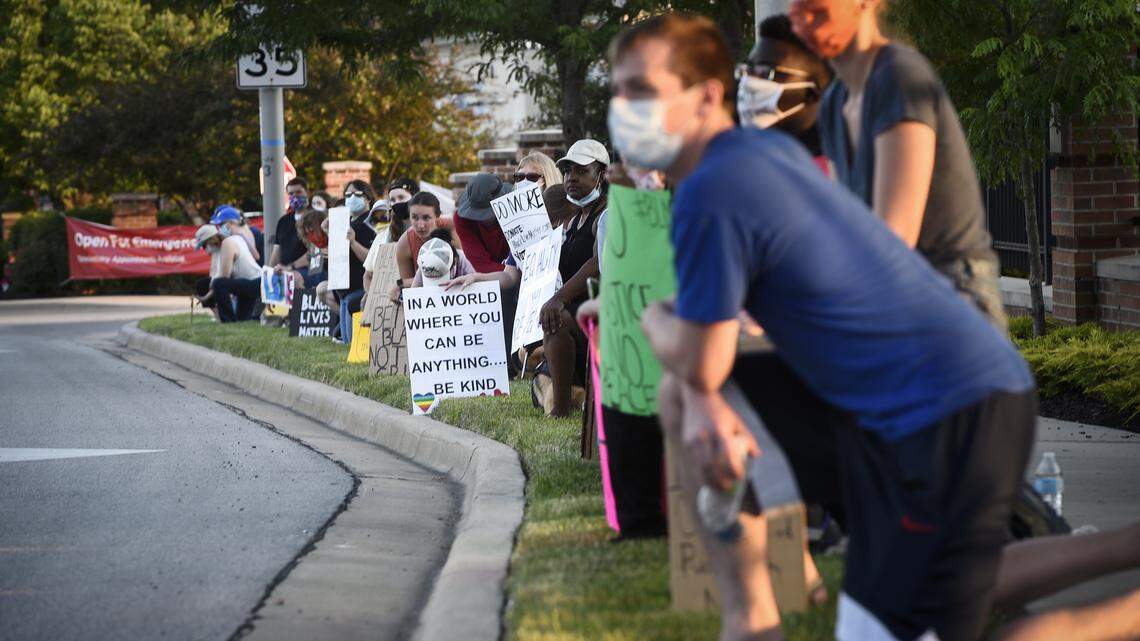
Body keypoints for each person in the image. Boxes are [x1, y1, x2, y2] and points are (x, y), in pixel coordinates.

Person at [608, 13, 1140, 641]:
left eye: (641, 91)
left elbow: (702, 357)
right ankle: (751, 622)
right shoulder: (760, 154)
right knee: (957, 586)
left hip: (949, 413)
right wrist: (698, 391)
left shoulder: (715, 189)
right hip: (909, 407)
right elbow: (705, 370)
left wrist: (655, 317)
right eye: (617, 93)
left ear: (705, 96)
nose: (623, 110)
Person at [789, 0, 1005, 328]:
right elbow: (842, 227)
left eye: (816, 10)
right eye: (795, 14)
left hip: (950, 294)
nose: (802, 23)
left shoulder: (899, 77)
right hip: (896, 292)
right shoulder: (834, 103)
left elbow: (893, 240)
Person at [737, 14, 833, 165]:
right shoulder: (745, 162)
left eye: (765, 72)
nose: (749, 81)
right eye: (748, 70)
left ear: (813, 92)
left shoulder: (835, 173)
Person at [388, 192, 454, 303]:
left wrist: (402, 283)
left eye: (426, 218)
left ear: (437, 217)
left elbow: (464, 270)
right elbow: (410, 289)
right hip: (426, 299)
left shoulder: (451, 228)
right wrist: (402, 285)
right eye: (414, 218)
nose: (420, 225)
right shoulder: (405, 242)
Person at [335, 179, 378, 344]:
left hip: (359, 289)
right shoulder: (346, 223)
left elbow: (370, 260)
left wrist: (353, 242)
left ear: (368, 198)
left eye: (357, 194)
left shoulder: (371, 223)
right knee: (347, 343)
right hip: (345, 290)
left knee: (353, 344)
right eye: (348, 194)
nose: (351, 198)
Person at [193, 223, 261, 323]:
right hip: (245, 283)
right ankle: (228, 318)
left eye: (204, 246)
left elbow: (224, 276)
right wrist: (205, 296)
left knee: (219, 283)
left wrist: (207, 295)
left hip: (254, 282)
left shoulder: (228, 243)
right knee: (242, 320)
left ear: (210, 240)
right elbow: (214, 275)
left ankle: (228, 321)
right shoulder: (220, 248)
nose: (205, 250)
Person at [454, 173, 514, 274]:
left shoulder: (515, 207)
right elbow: (482, 265)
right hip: (494, 278)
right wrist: (512, 274)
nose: (485, 218)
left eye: (489, 211)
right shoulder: (462, 220)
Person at [269, 177, 319, 286]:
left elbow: (315, 251)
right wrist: (269, 272)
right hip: (286, 269)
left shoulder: (315, 218)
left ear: (308, 193)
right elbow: (276, 251)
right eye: (291, 193)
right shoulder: (283, 221)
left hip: (309, 270)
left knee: (292, 279)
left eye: (299, 192)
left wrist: (290, 267)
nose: (295, 196)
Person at [410, 229, 476, 288]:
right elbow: (412, 293)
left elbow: (479, 285)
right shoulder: (425, 262)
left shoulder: (464, 259)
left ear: (455, 260)